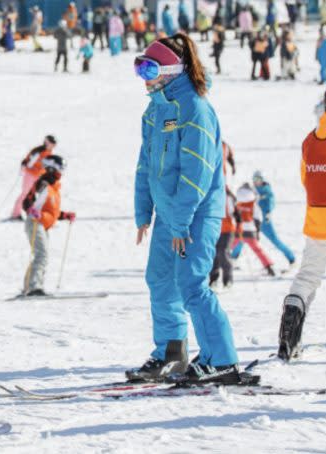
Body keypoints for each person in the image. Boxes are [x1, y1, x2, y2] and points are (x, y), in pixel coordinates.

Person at [130, 34, 241, 384]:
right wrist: (142, 212)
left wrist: (180, 223)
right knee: (159, 280)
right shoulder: (155, 110)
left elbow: (197, 173)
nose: (143, 77)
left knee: (191, 282)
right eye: (139, 68)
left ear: (171, 70)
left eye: (149, 67)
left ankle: (221, 359)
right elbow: (145, 165)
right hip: (169, 215)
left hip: (196, 214)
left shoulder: (196, 109)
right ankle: (171, 352)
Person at [277, 83, 326, 361]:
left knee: (308, 276)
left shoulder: (310, 138)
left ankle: (289, 338)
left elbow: (306, 178)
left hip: (318, 214)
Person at [21, 156, 76, 296]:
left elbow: (52, 211)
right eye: (59, 171)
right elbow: (27, 202)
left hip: (42, 224)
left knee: (42, 255)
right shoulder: (43, 184)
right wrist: (31, 210)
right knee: (41, 255)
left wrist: (65, 215)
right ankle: (33, 287)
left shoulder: (54, 188)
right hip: (35, 223)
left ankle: (30, 286)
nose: (61, 174)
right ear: (52, 169)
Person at [230, 182, 276, 276]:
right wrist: (258, 231)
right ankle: (269, 267)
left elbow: (233, 216)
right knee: (258, 250)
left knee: (228, 248)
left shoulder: (237, 203)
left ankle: (219, 266)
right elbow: (258, 218)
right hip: (250, 231)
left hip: (238, 231)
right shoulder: (253, 204)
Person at [11, 135, 56, 220]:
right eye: (51, 143)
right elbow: (29, 161)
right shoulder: (39, 151)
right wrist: (25, 167)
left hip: (38, 176)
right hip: (30, 175)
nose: (53, 145)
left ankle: (34, 213)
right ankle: (15, 214)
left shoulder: (49, 153)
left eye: (54, 144)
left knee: (37, 194)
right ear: (46, 142)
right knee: (25, 193)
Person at [210, 189, 236, 289]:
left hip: (228, 230)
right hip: (215, 229)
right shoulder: (211, 194)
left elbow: (233, 212)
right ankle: (213, 279)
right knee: (214, 254)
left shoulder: (227, 197)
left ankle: (228, 280)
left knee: (223, 253)